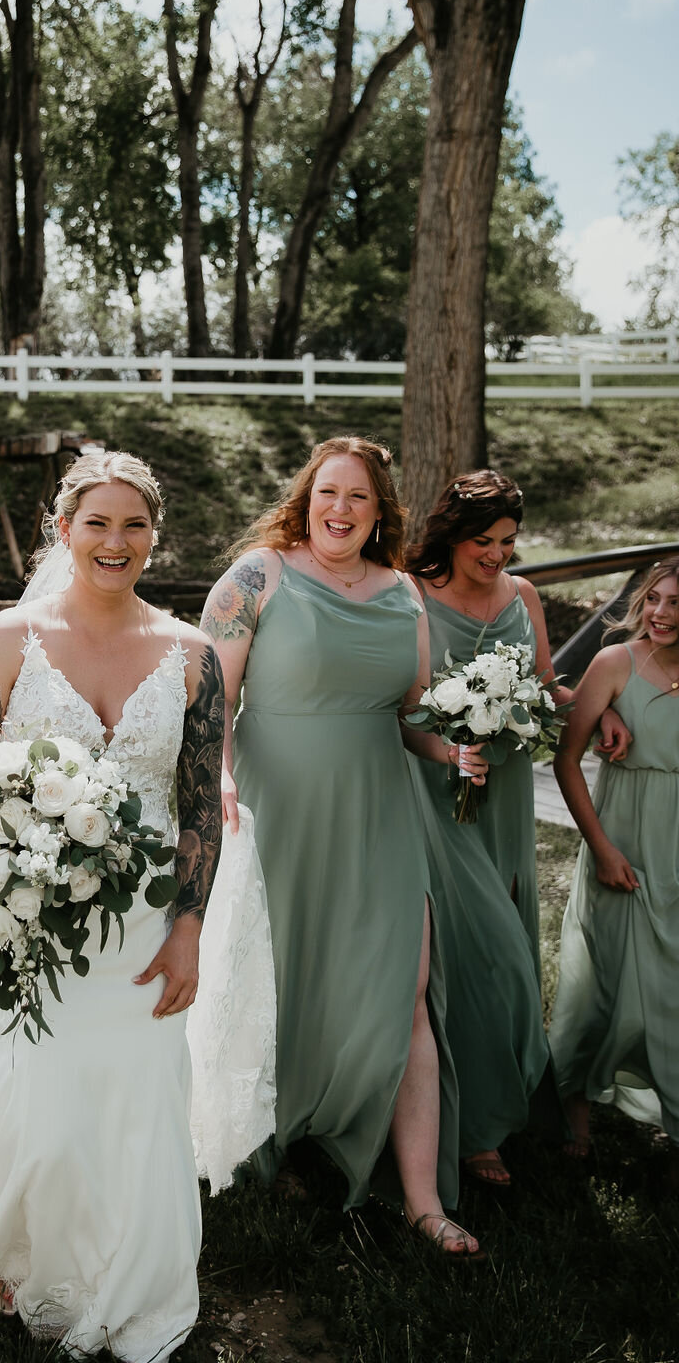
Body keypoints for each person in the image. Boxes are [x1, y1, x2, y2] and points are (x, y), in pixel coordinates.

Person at [0, 451, 225, 1360]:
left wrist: (189, 929)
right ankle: (27, 1251)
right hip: (34, 926)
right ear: (64, 531)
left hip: (145, 925)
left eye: (134, 525)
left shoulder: (194, 657)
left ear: (154, 538)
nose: (115, 541)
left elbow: (202, 803)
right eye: (98, 523)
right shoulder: (7, 642)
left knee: (137, 1100)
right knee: (44, 1101)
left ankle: (128, 1275)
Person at [200, 436, 485, 1259]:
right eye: (329, 492)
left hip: (378, 811)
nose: (341, 509)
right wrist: (218, 779)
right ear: (306, 496)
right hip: (272, 803)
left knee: (403, 986)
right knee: (273, 972)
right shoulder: (260, 574)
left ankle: (424, 1200)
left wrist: (457, 749)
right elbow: (211, 691)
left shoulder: (404, 594)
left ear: (380, 511)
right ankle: (261, 1137)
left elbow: (412, 715)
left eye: (359, 498)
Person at [404, 471, 563, 1187]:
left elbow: (550, 685)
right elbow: (393, 702)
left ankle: (486, 1111)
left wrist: (599, 707)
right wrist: (447, 741)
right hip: (433, 797)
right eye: (483, 541)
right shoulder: (411, 593)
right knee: (473, 953)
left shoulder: (522, 597)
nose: (498, 555)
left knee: (504, 946)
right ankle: (472, 1132)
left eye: (507, 542)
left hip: (500, 800)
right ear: (452, 535)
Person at [548, 555, 679, 1161]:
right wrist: (601, 848)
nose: (659, 613)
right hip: (622, 838)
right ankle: (574, 1101)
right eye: (653, 599)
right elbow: (566, 759)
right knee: (601, 977)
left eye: (675, 603)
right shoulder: (614, 663)